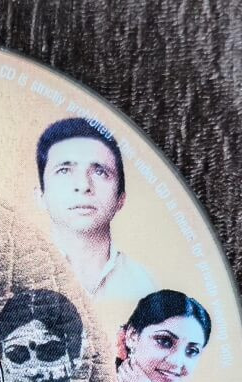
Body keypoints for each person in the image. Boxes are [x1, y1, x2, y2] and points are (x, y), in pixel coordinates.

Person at [35, 118, 155, 306]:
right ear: (41, 196)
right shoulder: (14, 276)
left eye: (100, 172)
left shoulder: (144, 286)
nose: (84, 185)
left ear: (121, 199)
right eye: (64, 170)